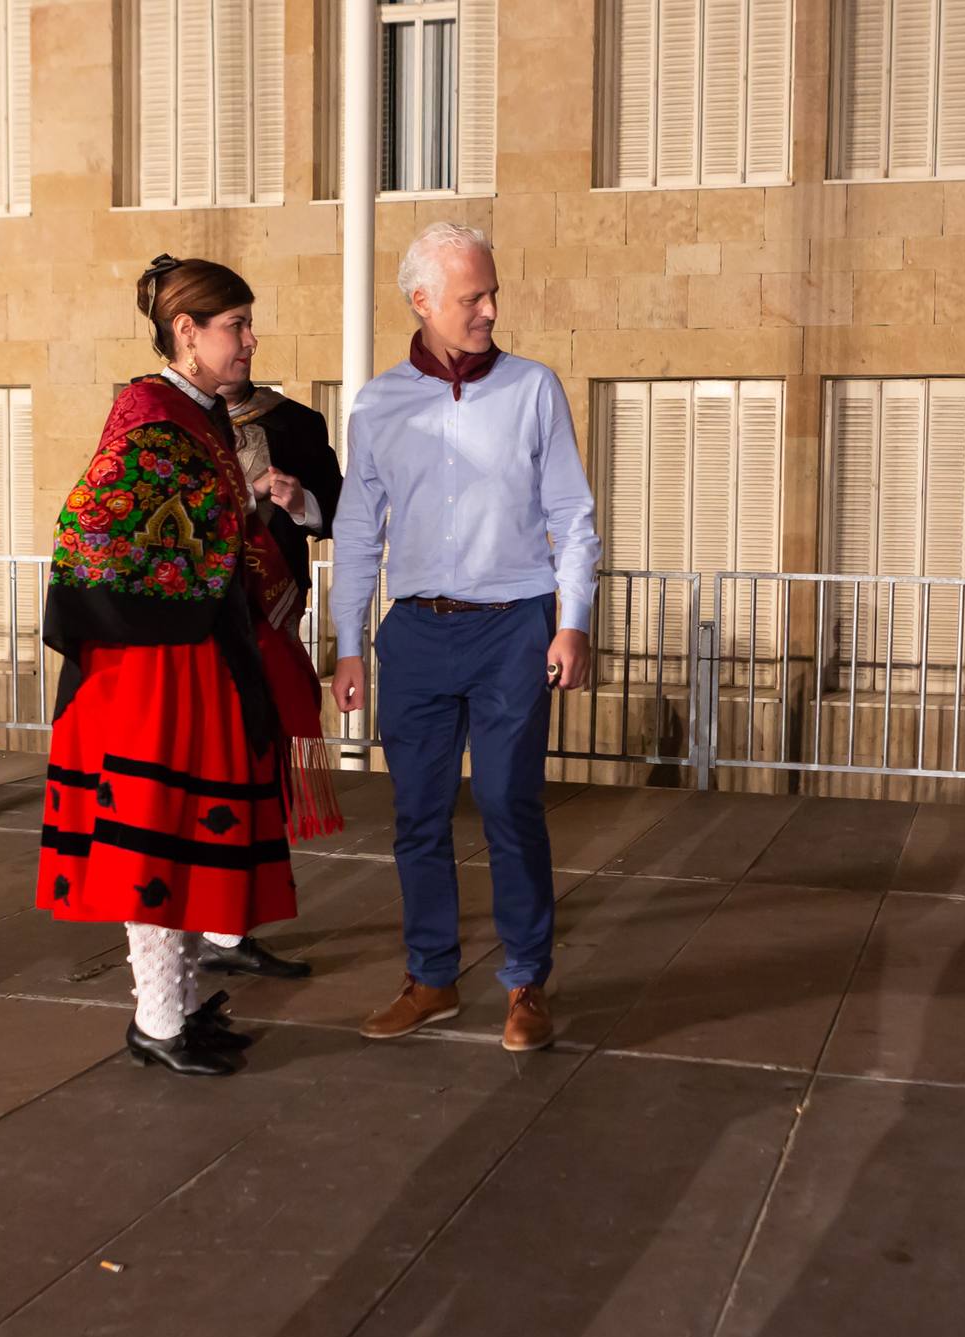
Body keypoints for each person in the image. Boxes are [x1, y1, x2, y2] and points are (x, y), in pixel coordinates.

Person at [37, 255, 337, 1077]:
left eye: (246, 323)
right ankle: (157, 1020)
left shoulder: (192, 413)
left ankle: (173, 1007)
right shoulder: (151, 414)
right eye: (234, 325)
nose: (248, 340)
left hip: (195, 658)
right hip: (154, 670)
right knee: (155, 845)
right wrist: (211, 565)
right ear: (186, 332)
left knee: (185, 843)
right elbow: (93, 537)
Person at [332, 222, 601, 1054]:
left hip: (513, 628)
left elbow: (573, 516)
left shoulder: (532, 389)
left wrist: (573, 622)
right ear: (421, 302)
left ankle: (525, 983)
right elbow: (354, 529)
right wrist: (348, 642)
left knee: (509, 807)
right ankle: (433, 978)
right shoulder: (378, 403)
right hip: (413, 633)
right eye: (471, 297)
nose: (490, 308)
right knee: (416, 815)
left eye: (491, 293)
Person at [186, 373, 346, 981]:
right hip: (201, 627)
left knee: (258, 771)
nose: (249, 340)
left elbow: (337, 511)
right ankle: (195, 929)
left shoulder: (295, 422)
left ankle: (228, 928)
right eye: (236, 326)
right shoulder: (168, 425)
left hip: (271, 618)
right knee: (207, 774)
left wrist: (297, 501)